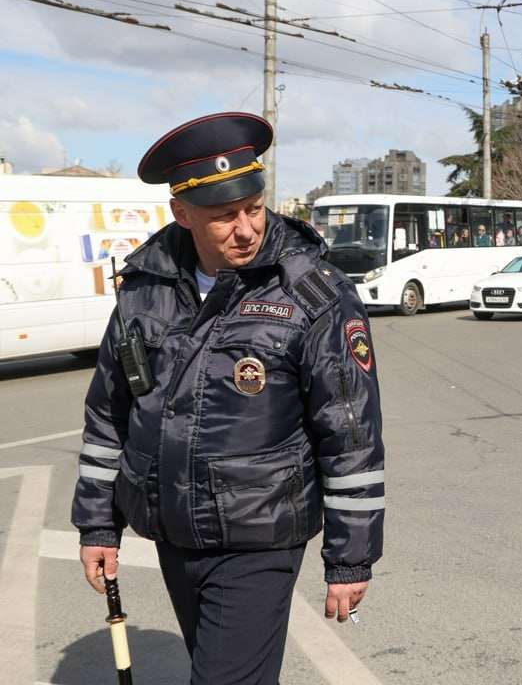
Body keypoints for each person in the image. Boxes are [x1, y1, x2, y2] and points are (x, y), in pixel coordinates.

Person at [72, 112, 386, 685]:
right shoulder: (144, 289)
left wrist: (349, 558)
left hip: (259, 536)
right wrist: (98, 526)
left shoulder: (314, 295)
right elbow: (108, 416)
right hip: (173, 533)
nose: (246, 229)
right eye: (224, 216)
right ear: (182, 213)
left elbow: (350, 434)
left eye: (254, 209)